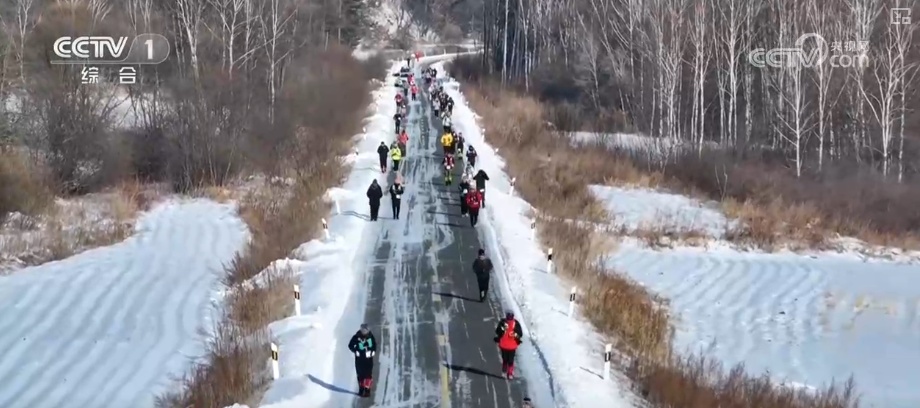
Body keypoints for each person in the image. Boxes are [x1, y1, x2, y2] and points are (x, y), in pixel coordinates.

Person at [348, 323, 377, 397]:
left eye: (365, 330)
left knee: (368, 375)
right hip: (359, 359)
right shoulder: (356, 337)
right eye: (362, 330)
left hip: (368, 359)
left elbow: (374, 345)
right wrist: (355, 351)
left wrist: (372, 352)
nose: (364, 332)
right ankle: (361, 389)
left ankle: (367, 390)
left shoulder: (370, 337)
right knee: (360, 375)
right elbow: (350, 345)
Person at [494, 312, 524, 379]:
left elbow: (498, 331)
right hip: (512, 346)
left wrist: (502, 331)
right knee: (511, 360)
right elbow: (520, 334)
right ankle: (510, 373)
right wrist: (515, 336)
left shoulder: (503, 322)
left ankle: (504, 370)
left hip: (503, 344)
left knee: (505, 359)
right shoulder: (516, 323)